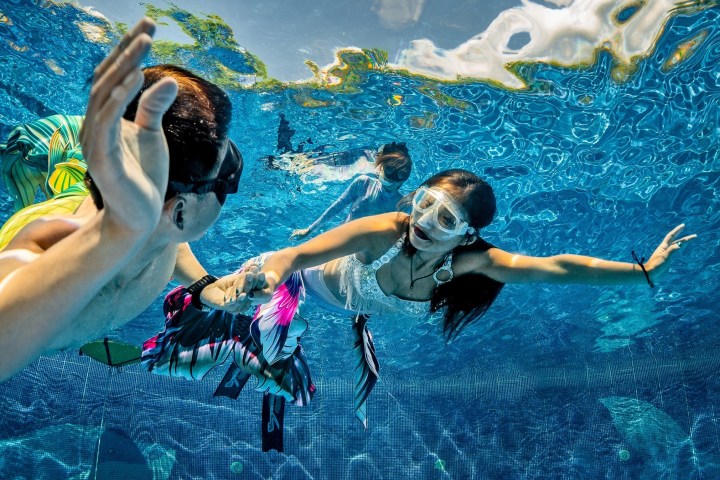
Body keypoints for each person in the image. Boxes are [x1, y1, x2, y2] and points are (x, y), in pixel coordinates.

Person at [142, 168, 696, 427]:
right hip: (297, 285)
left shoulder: (472, 264)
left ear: (468, 235)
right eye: (426, 203)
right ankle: (172, 260)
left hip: (349, 309)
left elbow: (555, 268)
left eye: (446, 218)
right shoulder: (386, 229)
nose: (427, 221)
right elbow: (301, 255)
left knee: (275, 347)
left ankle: (229, 331)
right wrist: (272, 270)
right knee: (231, 306)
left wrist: (642, 272)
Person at [0, 18, 243, 382]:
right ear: (179, 210)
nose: (234, 177)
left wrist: (205, 286)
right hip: (66, 202)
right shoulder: (43, 244)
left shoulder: (161, 234)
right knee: (55, 153)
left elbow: (169, 243)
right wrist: (118, 233)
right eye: (228, 178)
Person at [289, 142, 413, 240]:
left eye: (401, 175)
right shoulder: (363, 183)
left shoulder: (403, 205)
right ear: (381, 168)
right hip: (343, 237)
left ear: (405, 179)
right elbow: (336, 208)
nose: (393, 179)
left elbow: (401, 237)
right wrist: (309, 229)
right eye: (389, 171)